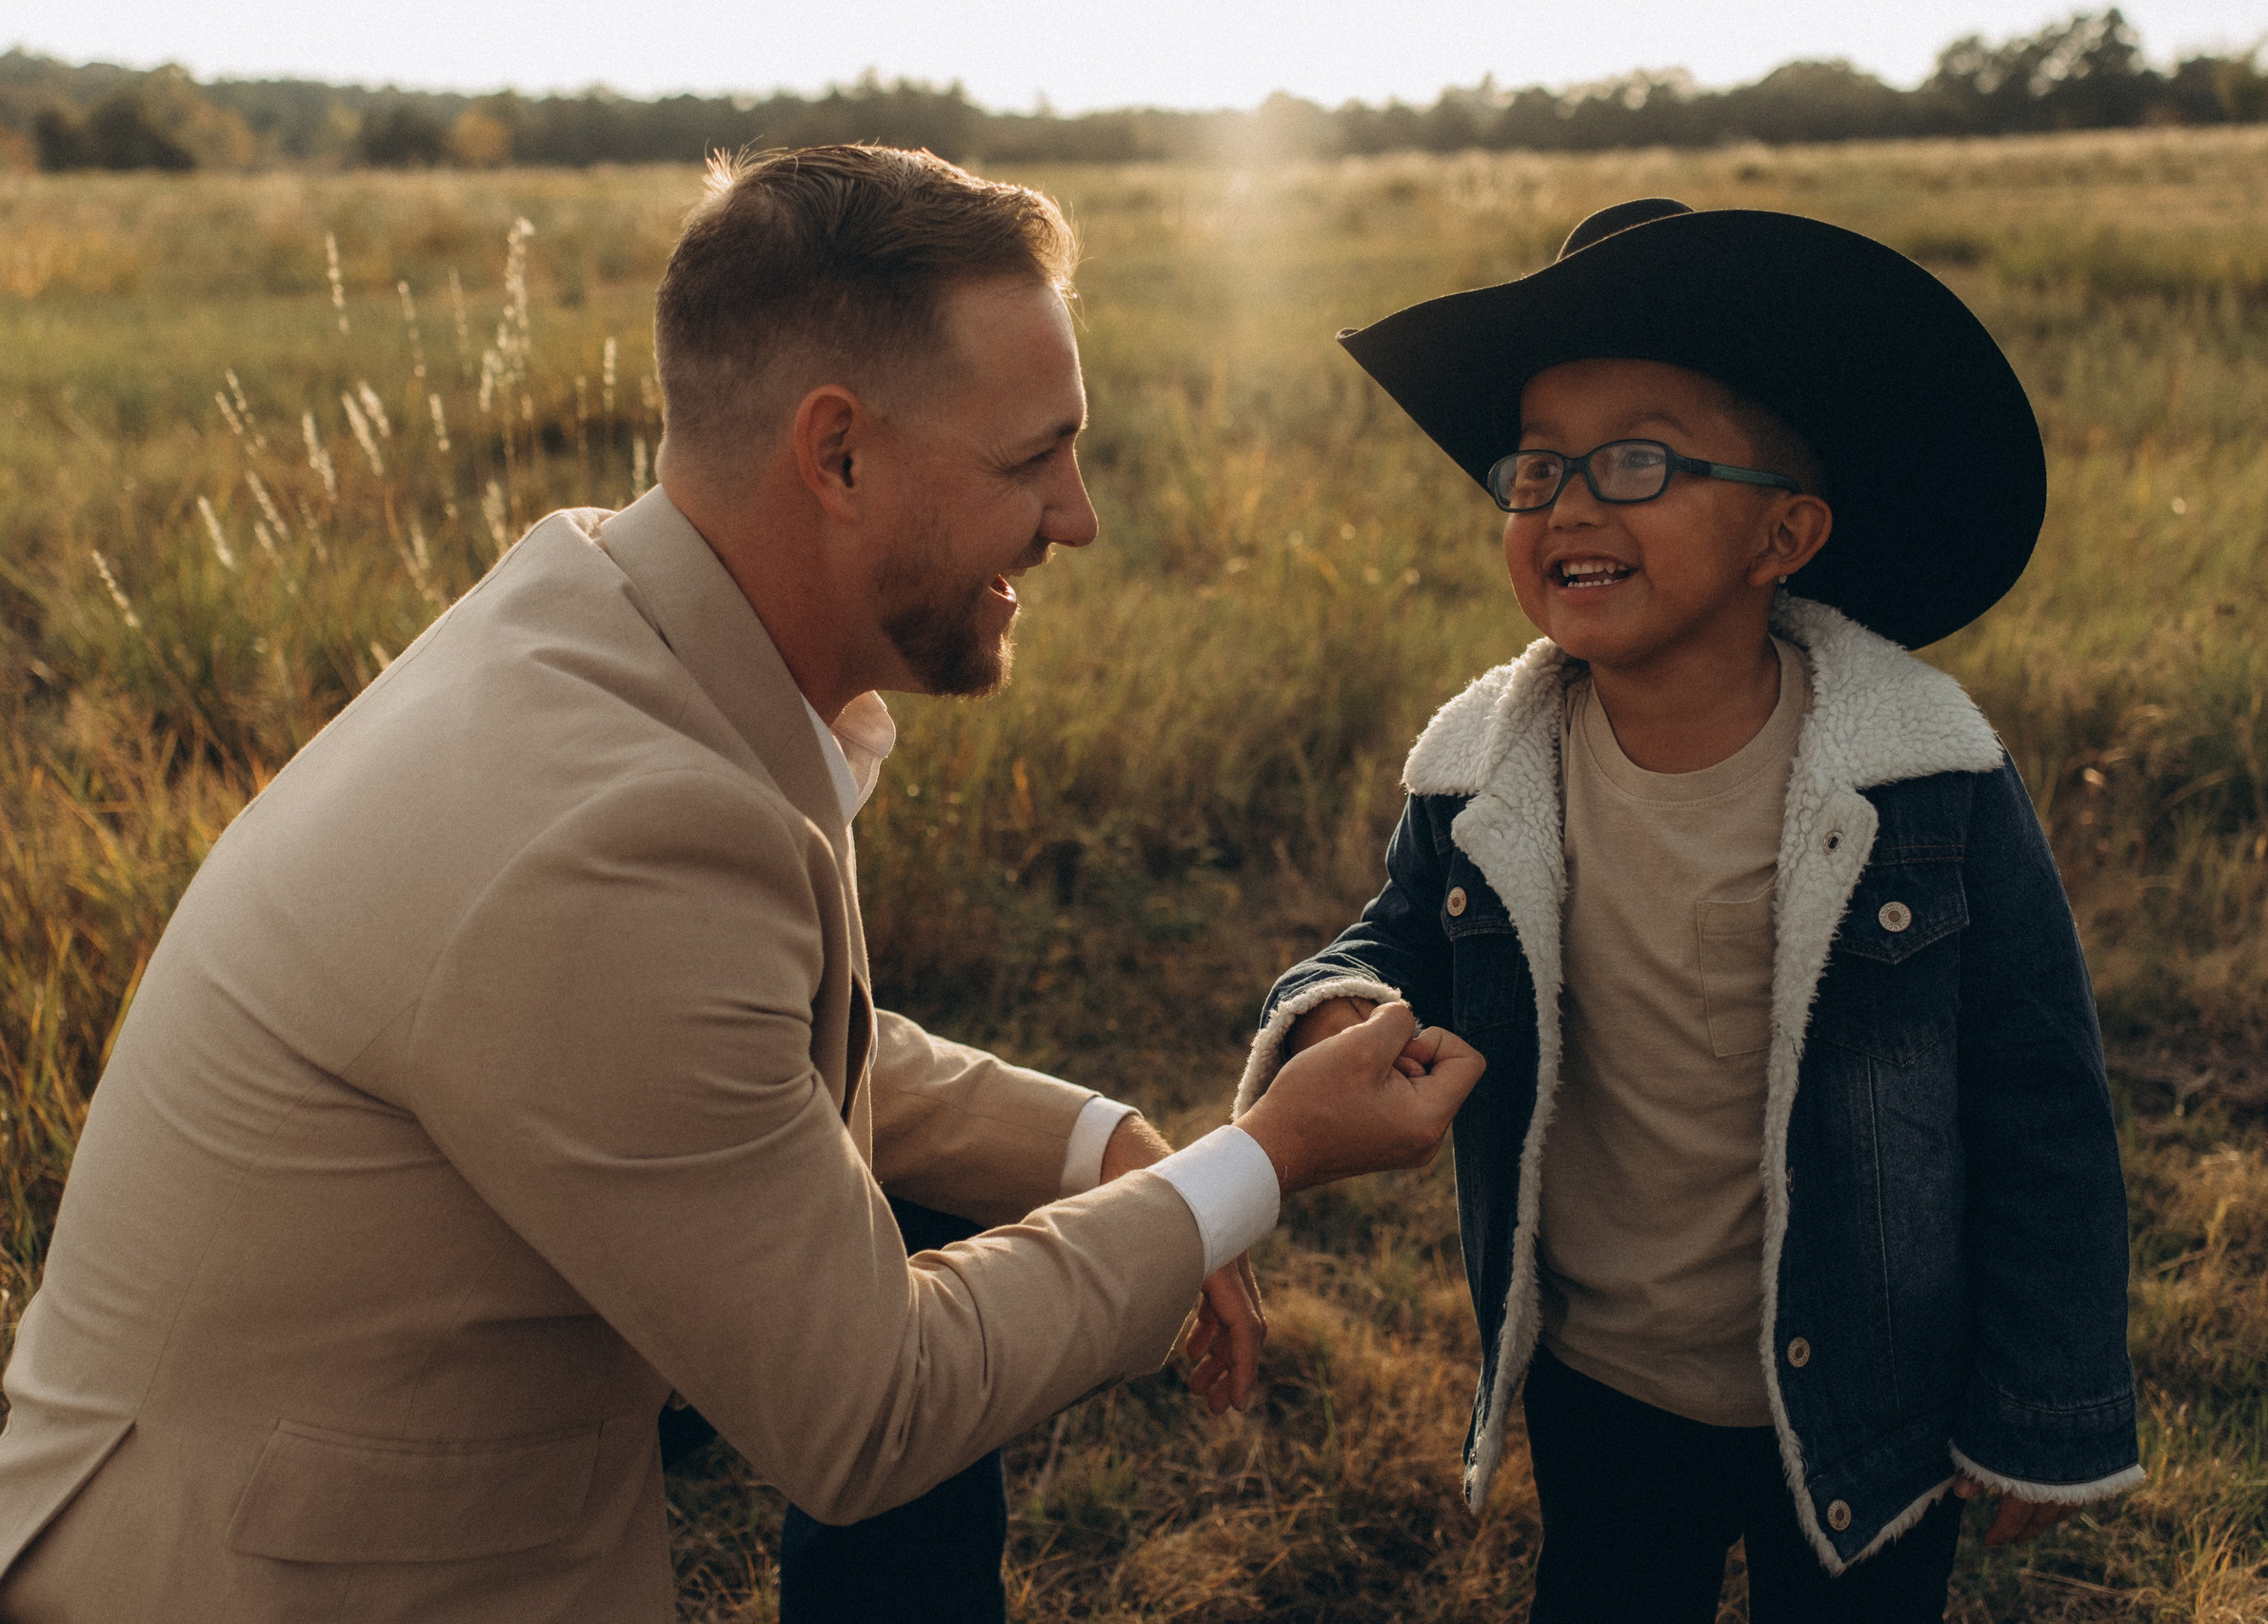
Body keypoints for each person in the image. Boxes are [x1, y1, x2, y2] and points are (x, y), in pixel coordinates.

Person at [0, 146, 1484, 1624]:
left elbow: (732, 1041)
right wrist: (1260, 1164)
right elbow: (871, 1408)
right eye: (1032, 456)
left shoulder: (596, 610)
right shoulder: (610, 826)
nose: (1079, 514)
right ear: (836, 455)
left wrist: (1101, 1145)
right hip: (253, 1569)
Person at [1234, 199, 2142, 1621]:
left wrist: (2048, 1398)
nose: (1570, 505)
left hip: (1872, 1380)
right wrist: (1347, 998)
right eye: (1535, 471)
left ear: (1785, 531)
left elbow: (2040, 1099)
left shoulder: (1928, 783)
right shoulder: (1483, 775)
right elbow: (1399, 929)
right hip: (1606, 1370)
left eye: (1635, 461)